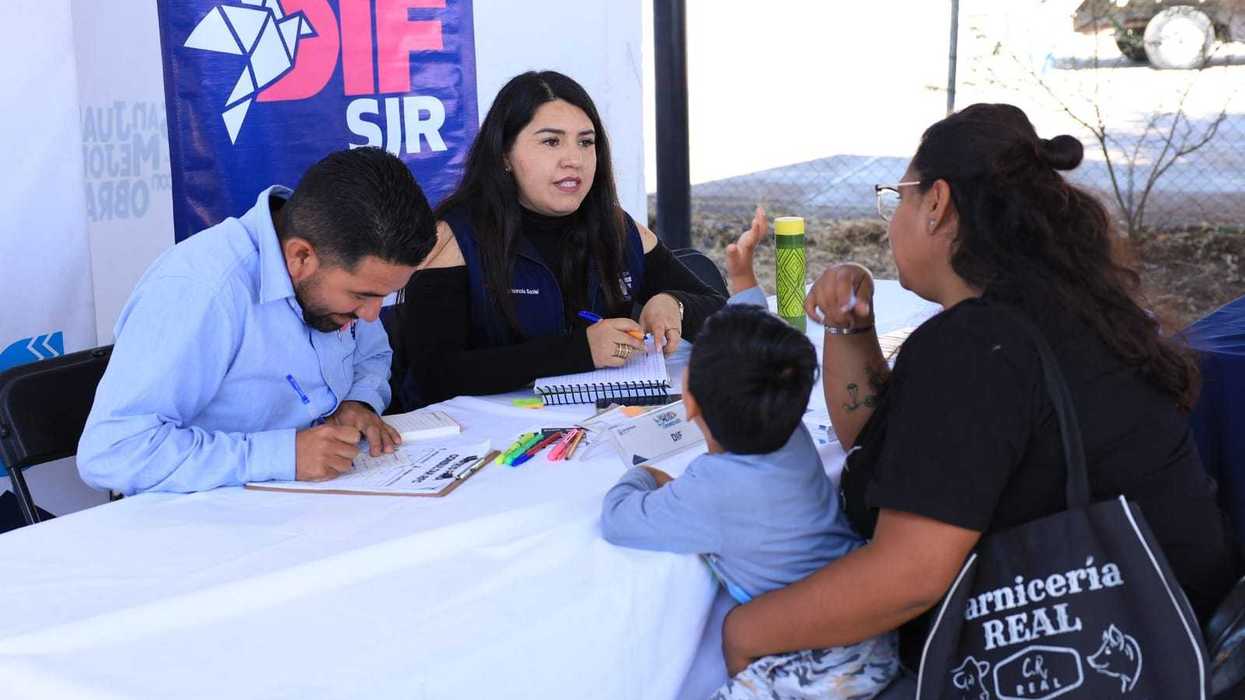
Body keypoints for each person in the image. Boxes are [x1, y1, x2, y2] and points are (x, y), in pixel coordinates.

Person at [718, 104, 1242, 677]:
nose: (891, 219)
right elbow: (886, 450)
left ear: (937, 203)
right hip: (1177, 630)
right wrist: (850, 325)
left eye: (897, 198)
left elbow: (906, 579)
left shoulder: (978, 346)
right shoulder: (1066, 310)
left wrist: (746, 629)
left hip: (1115, 659)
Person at [78, 148, 437, 495]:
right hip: (200, 525)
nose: (372, 315)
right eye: (361, 296)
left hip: (313, 504)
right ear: (300, 257)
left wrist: (357, 403)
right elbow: (113, 452)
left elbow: (371, 356)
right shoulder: (202, 290)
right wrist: (284, 456)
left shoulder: (342, 263)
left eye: (383, 297)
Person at [600, 304, 898, 699]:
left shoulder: (709, 492)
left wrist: (646, 476)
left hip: (816, 662)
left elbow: (619, 519)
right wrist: (743, 281)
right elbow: (766, 361)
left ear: (688, 402)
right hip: (874, 631)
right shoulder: (792, 434)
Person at [388, 70, 725, 409]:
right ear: (505, 154)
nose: (573, 159)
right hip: (483, 440)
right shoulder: (450, 239)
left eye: (585, 142)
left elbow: (722, 310)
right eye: (551, 141)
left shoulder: (619, 227)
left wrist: (674, 303)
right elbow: (436, 374)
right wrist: (579, 351)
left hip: (594, 431)